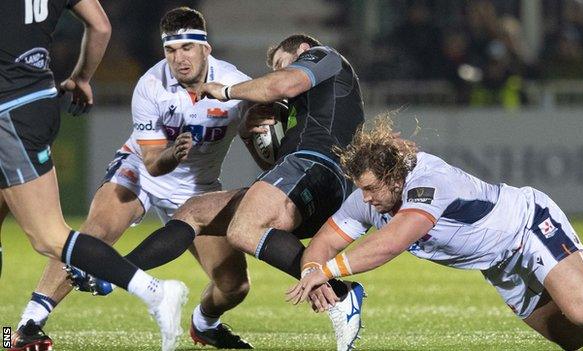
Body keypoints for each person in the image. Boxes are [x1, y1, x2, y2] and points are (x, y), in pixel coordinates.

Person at [75, 33, 368, 351]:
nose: (280, 74)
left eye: (283, 65)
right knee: (193, 211)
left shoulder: (325, 57)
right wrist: (250, 132)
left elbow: (279, 85)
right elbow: (270, 167)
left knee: (243, 230)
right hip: (300, 178)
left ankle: (340, 292)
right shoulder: (302, 108)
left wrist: (225, 91)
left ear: (303, 51)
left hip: (317, 165)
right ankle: (120, 276)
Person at [11, 6, 253, 350]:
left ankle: (205, 325)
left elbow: (258, 133)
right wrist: (173, 153)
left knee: (234, 286)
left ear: (205, 49)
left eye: (186, 48)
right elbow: (154, 163)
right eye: (170, 50)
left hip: (198, 189)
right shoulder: (151, 84)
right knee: (95, 232)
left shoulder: (235, 85)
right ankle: (27, 324)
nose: (179, 59)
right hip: (141, 170)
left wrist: (262, 127)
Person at [287, 116, 583, 350]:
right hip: (498, 262)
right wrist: (311, 271)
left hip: (528, 225)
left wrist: (329, 271)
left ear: (394, 177)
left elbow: (393, 241)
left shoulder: (430, 180)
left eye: (371, 189)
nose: (365, 199)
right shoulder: (372, 200)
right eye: (361, 190)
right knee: (567, 335)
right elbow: (325, 241)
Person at [0, 1, 189, 351]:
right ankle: (8, 337)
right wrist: (82, 77)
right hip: (37, 100)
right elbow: (100, 26)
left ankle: (156, 292)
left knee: (48, 236)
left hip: (9, 111)